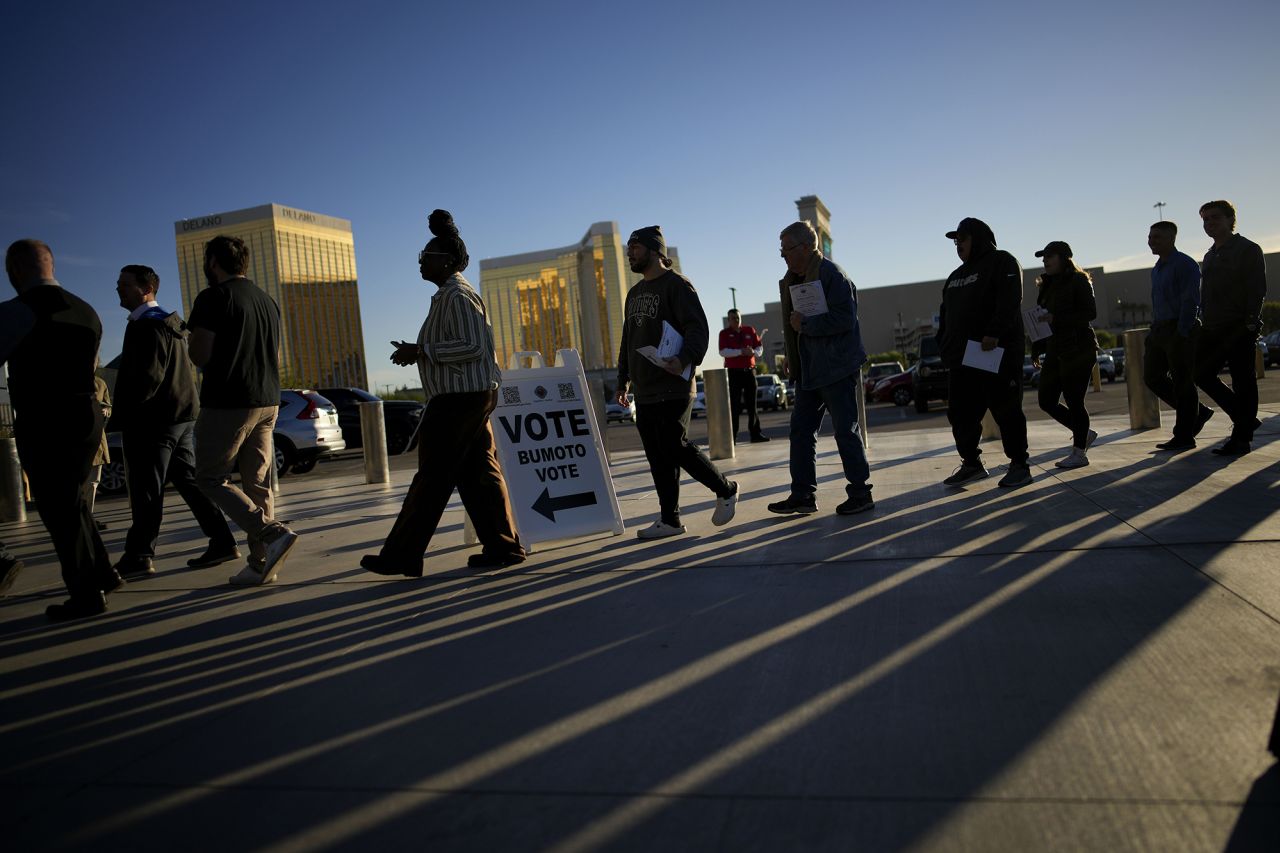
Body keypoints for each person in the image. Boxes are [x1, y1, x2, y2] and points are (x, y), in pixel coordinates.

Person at [361, 210, 525, 576]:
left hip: (459, 400)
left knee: (432, 478)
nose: (421, 262)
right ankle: (504, 547)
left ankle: (403, 555)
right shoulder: (448, 296)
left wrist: (420, 351)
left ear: (447, 261)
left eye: (427, 257)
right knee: (478, 475)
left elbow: (471, 346)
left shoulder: (457, 295)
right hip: (468, 396)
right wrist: (419, 349)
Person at [1, 239, 120, 620]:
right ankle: (104, 572)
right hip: (86, 415)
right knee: (73, 501)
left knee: (58, 509)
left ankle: (86, 595)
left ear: (15, 270)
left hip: (45, 419)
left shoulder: (17, 312)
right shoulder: (88, 311)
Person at [110, 264, 238, 578]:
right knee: (188, 482)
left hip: (152, 421)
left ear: (145, 289)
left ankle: (140, 554)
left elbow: (147, 378)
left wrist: (121, 415)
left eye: (124, 284)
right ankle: (222, 540)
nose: (118, 289)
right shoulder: (171, 322)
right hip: (180, 416)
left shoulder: (147, 325)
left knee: (145, 489)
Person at [615, 225, 738, 538]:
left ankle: (725, 489)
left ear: (656, 251)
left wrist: (684, 358)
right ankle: (670, 520)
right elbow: (628, 341)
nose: (630, 253)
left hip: (674, 382)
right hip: (644, 390)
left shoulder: (678, 285)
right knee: (658, 455)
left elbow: (697, 328)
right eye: (629, 248)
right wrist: (623, 380)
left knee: (674, 444)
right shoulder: (634, 293)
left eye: (635, 247)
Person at [188, 235, 298, 586]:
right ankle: (260, 563)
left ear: (214, 263)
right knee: (258, 483)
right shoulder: (267, 301)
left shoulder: (212, 297)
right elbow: (276, 356)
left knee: (210, 477)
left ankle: (271, 533)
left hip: (228, 402)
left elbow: (199, 355)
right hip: (267, 399)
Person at [768, 220, 874, 515]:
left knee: (845, 431)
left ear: (804, 247)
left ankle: (861, 493)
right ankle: (802, 495)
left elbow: (845, 319)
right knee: (801, 431)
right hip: (809, 371)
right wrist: (792, 354)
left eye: (786, 249)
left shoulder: (832, 275)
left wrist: (808, 325)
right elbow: (792, 326)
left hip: (837, 367)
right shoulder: (792, 278)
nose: (782, 255)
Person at [936, 218, 1031, 487]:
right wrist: (943, 343)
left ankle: (1019, 464)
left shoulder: (1002, 262)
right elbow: (946, 315)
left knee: (1006, 410)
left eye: (962, 240)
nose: (958, 246)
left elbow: (1010, 299)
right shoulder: (955, 277)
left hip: (995, 353)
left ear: (977, 238)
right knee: (960, 413)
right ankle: (972, 464)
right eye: (955, 241)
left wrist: (995, 332)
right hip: (962, 359)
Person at [1194, 200, 1267, 456]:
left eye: (1214, 217)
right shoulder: (1209, 254)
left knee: (1243, 381)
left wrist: (1250, 321)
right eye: (1205, 219)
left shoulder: (1247, 249)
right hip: (1213, 327)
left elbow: (1257, 289)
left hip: (1238, 326)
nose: (1209, 223)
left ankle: (1241, 437)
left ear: (1229, 219)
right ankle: (1245, 419)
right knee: (1200, 373)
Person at [1144, 221, 1212, 451]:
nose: (1151, 241)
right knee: (1152, 377)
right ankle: (1198, 412)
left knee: (1183, 383)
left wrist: (1182, 332)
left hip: (1179, 330)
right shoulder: (1157, 268)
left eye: (1157, 237)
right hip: (1160, 330)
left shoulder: (1185, 264)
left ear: (1171, 239)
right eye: (1150, 237)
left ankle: (1184, 436)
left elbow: (1191, 300)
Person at [1031, 241, 1098, 469]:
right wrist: (1036, 347)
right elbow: (1042, 319)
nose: (1045, 261)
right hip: (1055, 348)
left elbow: (1090, 312)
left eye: (1050, 256)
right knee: (1046, 400)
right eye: (1044, 257)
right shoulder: (1046, 285)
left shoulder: (1078, 280)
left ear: (1064, 258)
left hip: (1079, 348)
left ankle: (1079, 453)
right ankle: (1083, 432)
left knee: (1074, 400)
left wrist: (1056, 319)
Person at [718, 309, 769, 443]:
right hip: (734, 373)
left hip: (749, 371)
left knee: (752, 404)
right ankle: (732, 437)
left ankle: (755, 434)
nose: (736, 320)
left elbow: (759, 348)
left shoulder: (749, 330)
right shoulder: (724, 334)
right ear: (728, 320)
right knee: (734, 406)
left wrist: (753, 352)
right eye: (733, 318)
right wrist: (741, 351)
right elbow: (723, 352)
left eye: (738, 317)